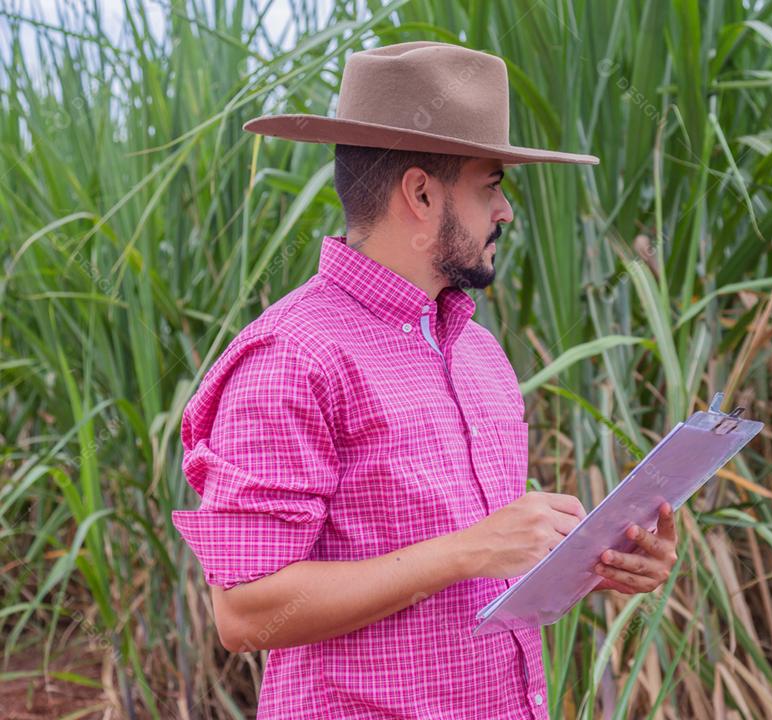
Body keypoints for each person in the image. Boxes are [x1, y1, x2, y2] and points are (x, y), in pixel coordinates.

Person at [172, 41, 678, 719]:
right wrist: (469, 551)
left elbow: (479, 569)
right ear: (420, 192)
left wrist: (597, 565)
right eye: (490, 184)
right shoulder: (292, 356)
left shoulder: (479, 353)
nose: (505, 212)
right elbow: (244, 611)